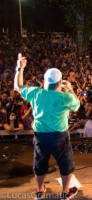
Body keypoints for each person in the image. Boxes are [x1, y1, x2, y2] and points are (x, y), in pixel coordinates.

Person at [14, 53, 80, 200]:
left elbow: (17, 86)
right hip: (60, 136)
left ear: (44, 81)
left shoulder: (36, 93)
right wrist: (69, 89)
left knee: (40, 163)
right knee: (65, 164)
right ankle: (65, 192)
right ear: (61, 81)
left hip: (40, 136)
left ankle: (39, 190)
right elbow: (77, 106)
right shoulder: (65, 97)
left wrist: (20, 68)